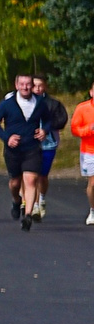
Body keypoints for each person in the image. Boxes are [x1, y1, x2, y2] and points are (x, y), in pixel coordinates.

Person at [0, 73, 58, 229]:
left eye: (28, 84)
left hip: (32, 148)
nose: (26, 87)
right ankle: (16, 201)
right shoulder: (7, 104)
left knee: (31, 181)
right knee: (15, 183)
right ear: (16, 85)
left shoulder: (39, 103)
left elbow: (48, 120)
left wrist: (44, 131)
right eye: (22, 84)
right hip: (13, 150)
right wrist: (7, 138)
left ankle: (27, 216)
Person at [31, 75, 60, 215]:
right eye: (34, 85)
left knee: (42, 176)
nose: (37, 88)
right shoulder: (25, 103)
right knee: (33, 175)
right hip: (30, 145)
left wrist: (46, 129)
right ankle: (34, 205)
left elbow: (61, 120)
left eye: (40, 85)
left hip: (48, 145)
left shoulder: (53, 104)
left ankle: (41, 198)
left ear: (45, 87)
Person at [73, 79, 94, 225]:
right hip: (89, 151)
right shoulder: (82, 108)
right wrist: (89, 130)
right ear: (91, 92)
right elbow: (75, 129)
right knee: (93, 183)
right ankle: (92, 210)